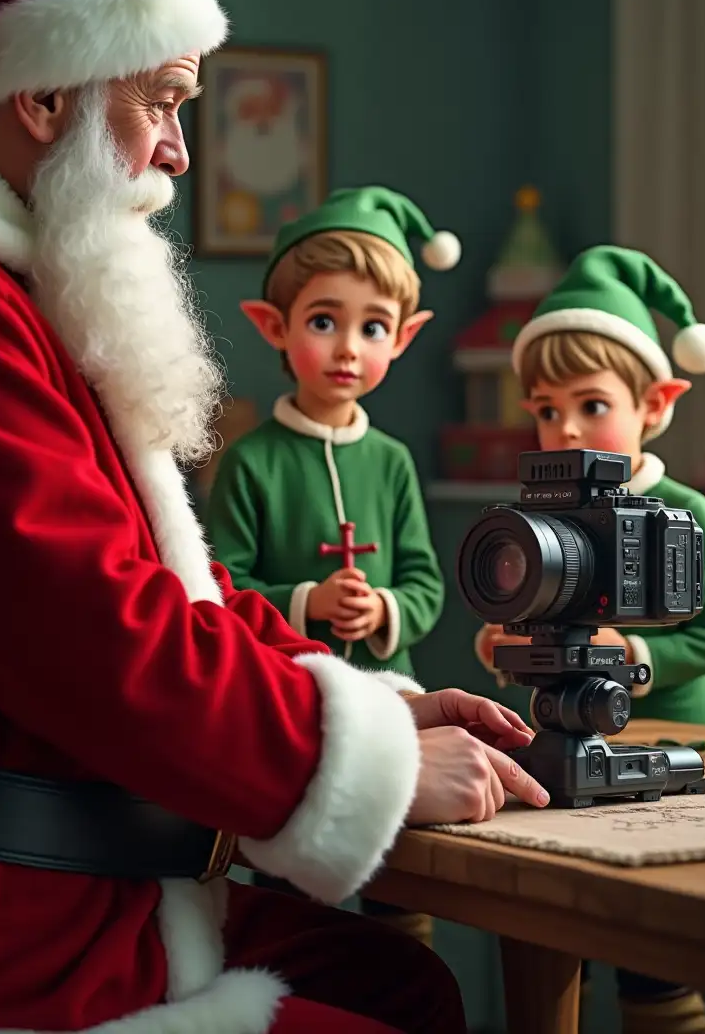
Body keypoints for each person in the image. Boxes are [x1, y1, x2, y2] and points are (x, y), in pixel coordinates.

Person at [0, 0, 551, 1034]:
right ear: (37, 96)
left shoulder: (2, 293)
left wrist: (376, 706)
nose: (178, 150)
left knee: (400, 980)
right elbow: (90, 635)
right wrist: (355, 765)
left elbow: (178, 587)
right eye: (163, 100)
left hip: (81, 886)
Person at [475, 245, 705, 1034]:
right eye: (546, 408)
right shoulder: (541, 516)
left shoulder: (686, 509)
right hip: (569, 739)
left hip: (678, 734)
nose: (566, 428)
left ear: (656, 402)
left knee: (653, 960)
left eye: (591, 406)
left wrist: (636, 655)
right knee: (563, 928)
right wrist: (505, 640)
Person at [206, 187, 459, 947]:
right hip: (295, 711)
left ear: (403, 338)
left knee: (405, 897)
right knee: (290, 905)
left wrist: (384, 611)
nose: (349, 347)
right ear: (273, 327)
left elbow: (425, 586)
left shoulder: (393, 463)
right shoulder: (251, 462)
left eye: (372, 327)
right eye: (325, 322)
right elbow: (219, 589)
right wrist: (308, 602)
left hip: (394, 711)